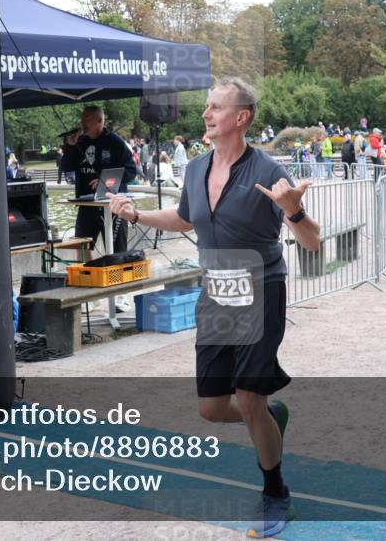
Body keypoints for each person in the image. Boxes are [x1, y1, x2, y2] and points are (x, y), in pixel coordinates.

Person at [108, 77, 320, 538]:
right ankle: (268, 415)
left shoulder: (268, 171)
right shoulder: (196, 167)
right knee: (211, 408)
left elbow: (312, 242)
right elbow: (185, 218)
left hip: (261, 289)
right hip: (217, 292)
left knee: (248, 396)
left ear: (241, 117)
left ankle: (275, 493)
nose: (205, 114)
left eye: (215, 107)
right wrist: (136, 214)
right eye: (206, 106)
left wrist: (295, 211)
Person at [58, 105, 137, 254]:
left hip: (113, 205)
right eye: (82, 118)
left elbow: (131, 170)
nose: (82, 122)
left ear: (99, 120)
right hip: (86, 204)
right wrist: (70, 147)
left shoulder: (115, 142)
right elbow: (67, 167)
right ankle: (87, 270)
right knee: (82, 248)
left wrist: (105, 182)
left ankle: (115, 270)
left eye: (87, 119)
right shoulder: (80, 142)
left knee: (117, 251)